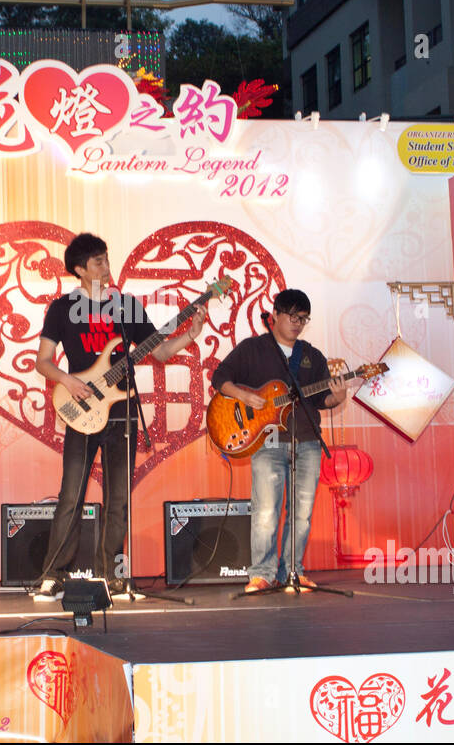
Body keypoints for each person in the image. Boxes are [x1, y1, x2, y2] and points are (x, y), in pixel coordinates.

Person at [33, 233, 207, 601]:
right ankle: (53, 575)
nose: (106, 267)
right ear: (79, 269)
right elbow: (43, 361)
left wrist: (189, 335)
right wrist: (69, 380)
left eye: (106, 259)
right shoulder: (62, 309)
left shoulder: (126, 307)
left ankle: (110, 577)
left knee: (119, 498)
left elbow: (158, 352)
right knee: (71, 495)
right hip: (81, 408)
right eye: (97, 262)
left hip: (122, 409)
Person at [210, 289, 349, 593]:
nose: (298, 323)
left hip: (308, 441)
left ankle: (293, 571)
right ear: (274, 316)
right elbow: (220, 377)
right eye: (293, 316)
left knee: (302, 512)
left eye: (303, 318)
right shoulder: (253, 349)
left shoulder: (311, 356)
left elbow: (323, 399)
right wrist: (245, 396)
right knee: (266, 510)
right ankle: (261, 573)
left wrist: (337, 396)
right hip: (268, 441)